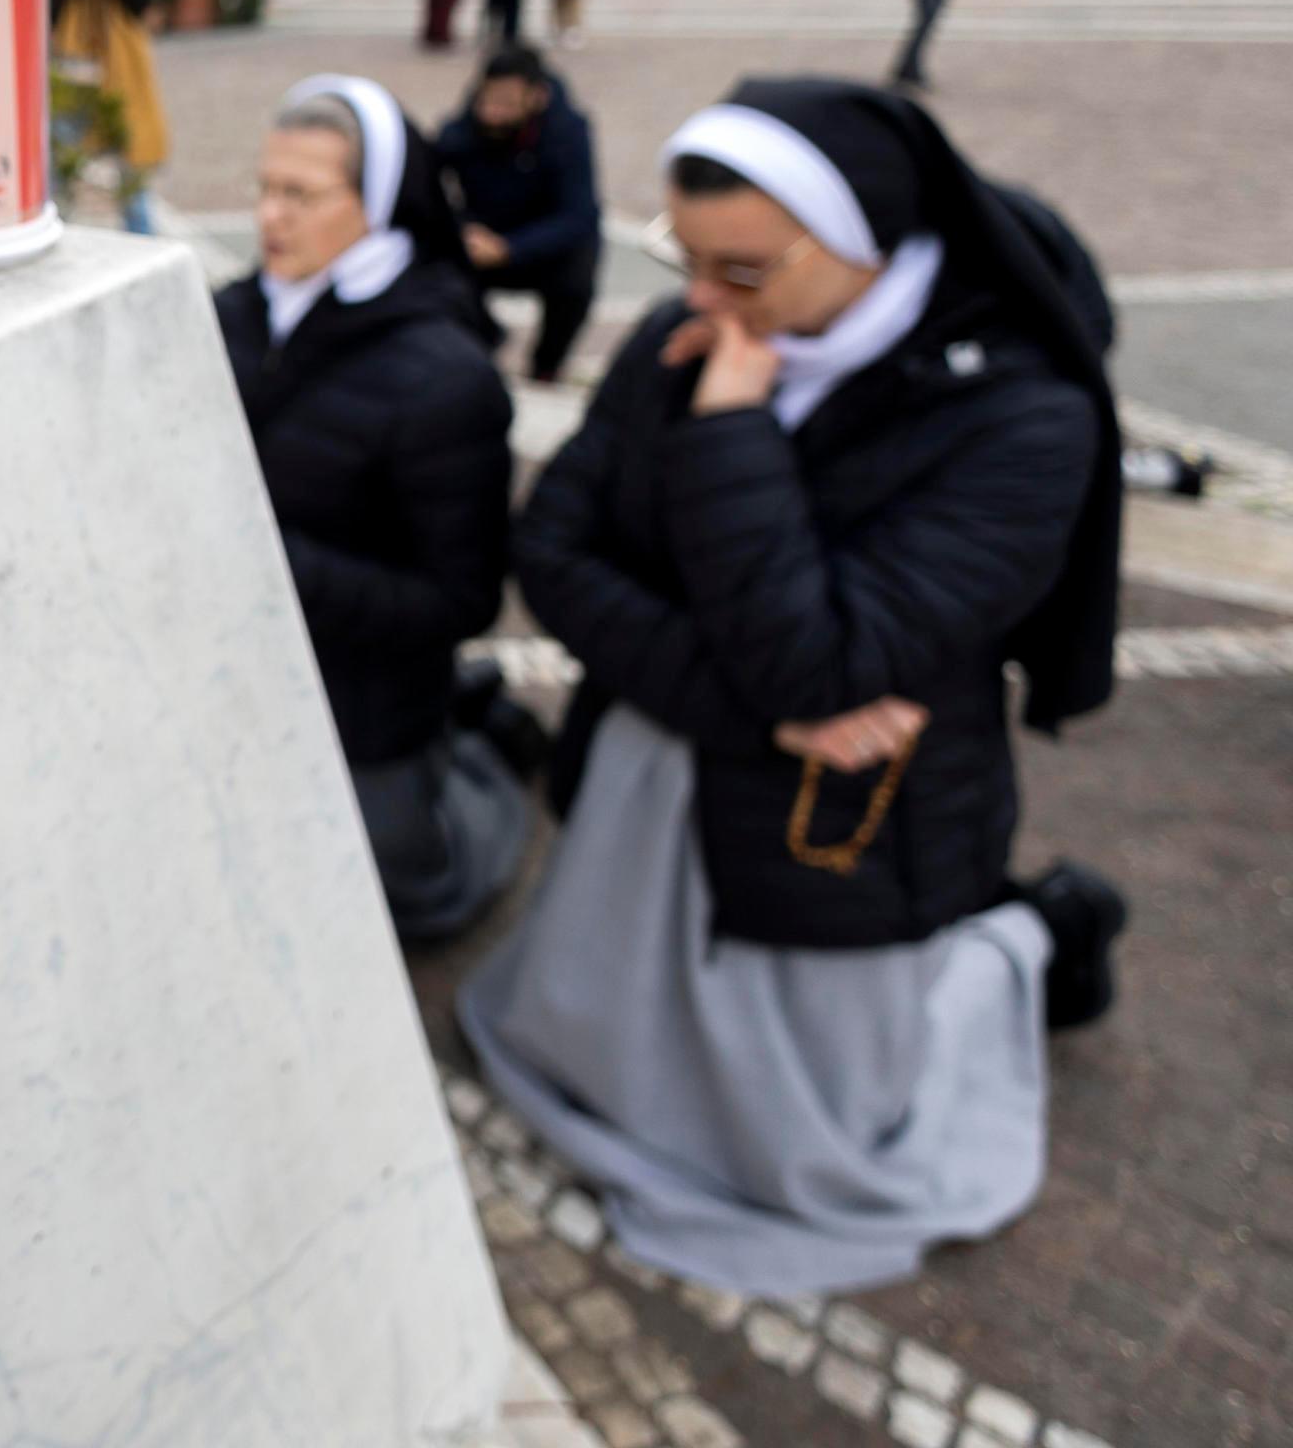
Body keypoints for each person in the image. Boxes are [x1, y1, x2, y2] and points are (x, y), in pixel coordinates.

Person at [461, 77, 1130, 1298]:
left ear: (864, 245)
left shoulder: (1024, 418)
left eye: (745, 270)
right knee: (611, 1012)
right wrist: (747, 708)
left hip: (844, 831)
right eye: (686, 256)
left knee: (805, 1117)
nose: (702, 299)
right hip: (686, 770)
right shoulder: (701, 327)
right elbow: (551, 552)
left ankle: (1045, 931)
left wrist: (729, 431)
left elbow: (817, 661)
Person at [215, 76, 528, 943]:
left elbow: (461, 601)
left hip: (368, 703)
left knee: (413, 900)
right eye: (265, 188)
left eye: (302, 195)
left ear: (379, 202)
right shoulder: (231, 315)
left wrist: (273, 562)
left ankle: (477, 774)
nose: (271, 218)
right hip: (243, 669)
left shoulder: (446, 381)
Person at [435, 45, 601, 383]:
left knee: (576, 281)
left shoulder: (567, 133)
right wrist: (463, 230)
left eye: (506, 103)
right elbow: (426, 185)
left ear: (536, 97)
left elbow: (578, 215)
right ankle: (481, 345)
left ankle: (546, 367)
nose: (493, 112)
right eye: (487, 100)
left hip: (544, 242)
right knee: (436, 266)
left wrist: (511, 248)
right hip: (484, 236)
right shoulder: (462, 129)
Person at [51, 0, 170, 233]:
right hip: (72, 77)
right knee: (59, 180)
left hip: (122, 77)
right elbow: (44, 12)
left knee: (132, 184)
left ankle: (144, 245)